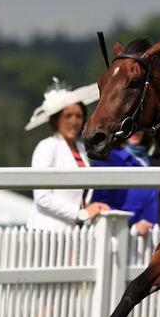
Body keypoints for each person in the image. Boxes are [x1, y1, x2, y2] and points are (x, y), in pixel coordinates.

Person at [24, 78, 109, 231]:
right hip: (48, 231)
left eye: (78, 116)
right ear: (56, 120)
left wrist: (92, 208)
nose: (74, 121)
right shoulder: (47, 146)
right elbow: (42, 197)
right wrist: (80, 213)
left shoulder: (83, 149)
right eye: (68, 116)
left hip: (73, 232)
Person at [90, 130, 160, 236]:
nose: (135, 131)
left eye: (139, 127)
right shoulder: (108, 159)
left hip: (154, 236)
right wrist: (131, 226)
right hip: (121, 236)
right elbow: (102, 205)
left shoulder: (150, 160)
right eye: (130, 127)